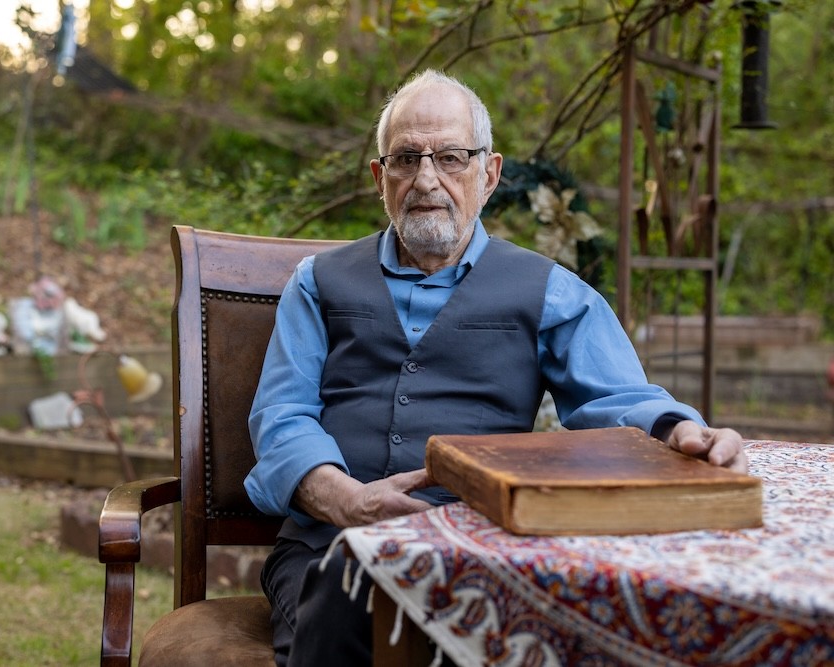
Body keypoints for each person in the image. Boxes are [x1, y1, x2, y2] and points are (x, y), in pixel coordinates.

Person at [244, 69, 746, 666]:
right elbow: (282, 416)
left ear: (490, 174)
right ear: (381, 178)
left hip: (475, 553)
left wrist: (679, 431)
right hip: (326, 543)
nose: (426, 179)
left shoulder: (552, 292)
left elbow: (617, 399)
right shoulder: (317, 284)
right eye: (406, 159)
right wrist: (350, 502)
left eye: (451, 157)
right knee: (347, 600)